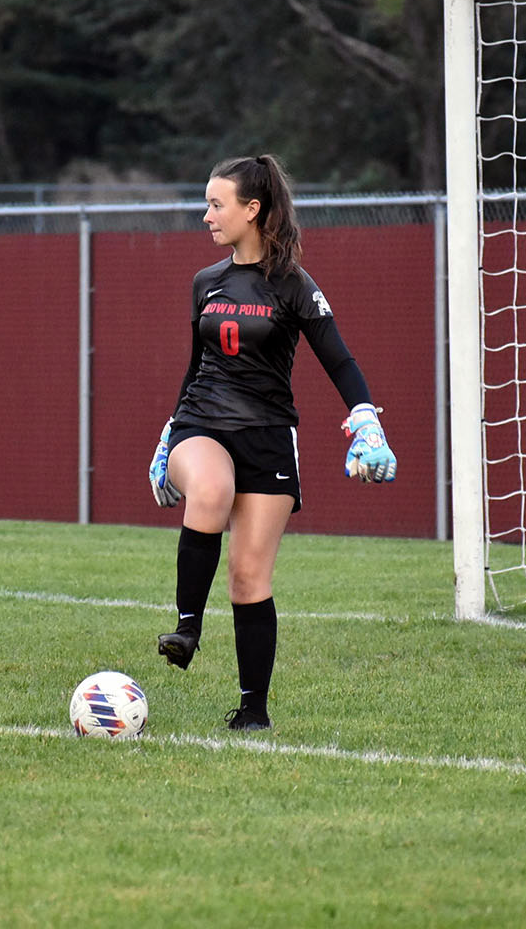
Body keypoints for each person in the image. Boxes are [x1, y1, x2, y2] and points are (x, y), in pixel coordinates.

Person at [147, 154, 396, 731]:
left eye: (217, 204)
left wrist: (367, 422)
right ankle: (187, 627)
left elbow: (340, 360)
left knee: (249, 579)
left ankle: (253, 712)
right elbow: (195, 367)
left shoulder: (293, 286)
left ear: (252, 210)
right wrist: (168, 436)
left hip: (268, 440)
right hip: (202, 424)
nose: (205, 214)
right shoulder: (204, 283)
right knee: (209, 489)